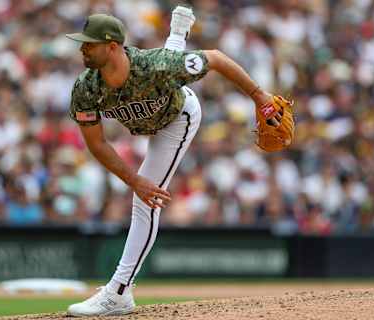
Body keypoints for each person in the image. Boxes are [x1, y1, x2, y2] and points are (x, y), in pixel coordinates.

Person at [65, 6, 279, 317]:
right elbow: (97, 143)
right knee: (166, 76)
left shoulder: (155, 66)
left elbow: (216, 58)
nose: (83, 48)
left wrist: (260, 97)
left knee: (146, 202)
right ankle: (177, 34)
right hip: (153, 109)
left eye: (90, 43)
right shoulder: (85, 88)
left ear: (112, 46)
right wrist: (133, 180)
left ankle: (119, 292)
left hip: (177, 117)